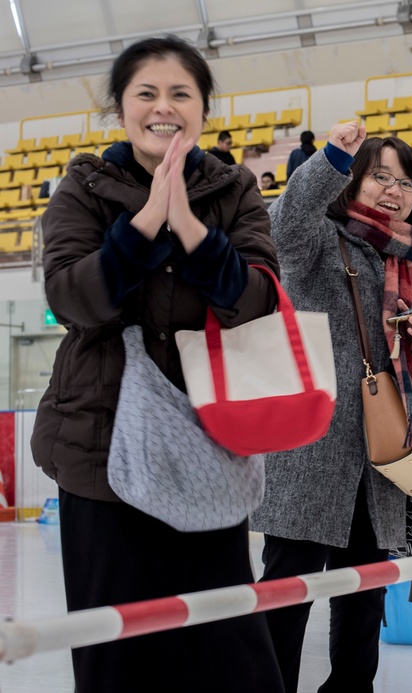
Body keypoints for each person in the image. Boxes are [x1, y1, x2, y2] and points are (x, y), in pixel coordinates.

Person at [31, 36, 284, 692]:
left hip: (211, 449)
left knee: (229, 648)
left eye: (181, 93)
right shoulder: (82, 188)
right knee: (115, 654)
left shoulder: (234, 190)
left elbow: (259, 302)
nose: (162, 106)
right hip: (98, 452)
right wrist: (145, 223)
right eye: (146, 92)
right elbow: (72, 299)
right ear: (121, 107)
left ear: (203, 109)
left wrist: (192, 230)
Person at [251, 124, 412, 693]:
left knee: (362, 604)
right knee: (287, 596)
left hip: (380, 456)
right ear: (352, 182)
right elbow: (282, 219)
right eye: (380, 175)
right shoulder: (315, 240)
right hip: (311, 452)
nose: (395, 190)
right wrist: (332, 156)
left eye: (406, 182)